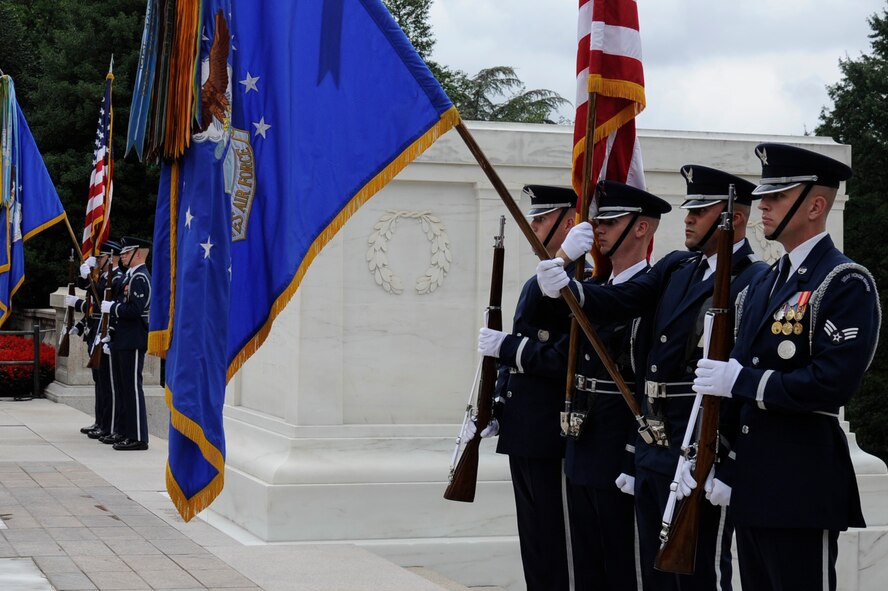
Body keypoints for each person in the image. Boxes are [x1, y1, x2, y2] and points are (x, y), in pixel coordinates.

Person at [537, 165, 769, 591]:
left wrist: (728, 460)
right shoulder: (678, 267)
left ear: (734, 218)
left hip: (700, 446)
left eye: (700, 211)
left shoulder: (753, 280)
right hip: (656, 446)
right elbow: (625, 299)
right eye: (690, 210)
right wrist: (571, 286)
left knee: (699, 573)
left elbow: (740, 380)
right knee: (656, 572)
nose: (688, 218)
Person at [689, 144, 880, 591]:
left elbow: (832, 383)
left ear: (816, 205)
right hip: (753, 485)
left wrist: (743, 381)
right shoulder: (764, 282)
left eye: (776, 196)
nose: (763, 206)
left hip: (801, 485)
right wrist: (724, 463)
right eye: (764, 196)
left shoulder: (844, 281)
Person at [469, 184, 594, 591]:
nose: (533, 225)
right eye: (535, 217)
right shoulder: (538, 279)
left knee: (560, 546)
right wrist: (496, 407)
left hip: (552, 433)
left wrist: (510, 348)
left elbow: (568, 358)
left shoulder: (583, 282)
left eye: (542, 218)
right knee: (536, 543)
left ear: (570, 222)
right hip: (524, 431)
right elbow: (516, 350)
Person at [564, 181, 670, 591]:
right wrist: (563, 257)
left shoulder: (654, 293)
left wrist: (631, 452)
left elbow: (648, 378)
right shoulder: (596, 287)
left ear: (642, 228)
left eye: (609, 220)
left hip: (619, 448)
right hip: (583, 440)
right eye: (597, 220)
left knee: (624, 566)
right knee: (588, 565)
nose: (598, 229)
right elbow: (539, 308)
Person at [66, 240, 121, 439]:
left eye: (100, 258)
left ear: (110, 258)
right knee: (99, 381)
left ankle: (108, 425)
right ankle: (100, 421)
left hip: (105, 333)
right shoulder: (103, 278)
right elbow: (93, 302)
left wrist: (78, 302)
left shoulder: (117, 278)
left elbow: (99, 302)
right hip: (95, 331)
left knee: (106, 382)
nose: (97, 261)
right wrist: (81, 326)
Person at [103, 236, 152, 451]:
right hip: (122, 338)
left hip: (133, 339)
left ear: (138, 254)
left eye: (126, 252)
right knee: (123, 388)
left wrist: (112, 308)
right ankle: (124, 431)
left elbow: (135, 310)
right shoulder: (129, 277)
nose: (121, 256)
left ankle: (138, 436)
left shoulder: (140, 278)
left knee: (132, 388)